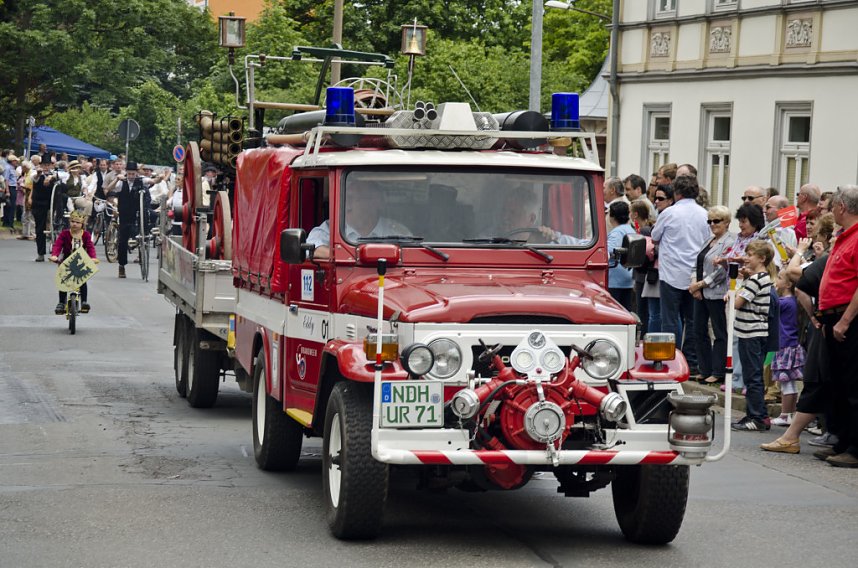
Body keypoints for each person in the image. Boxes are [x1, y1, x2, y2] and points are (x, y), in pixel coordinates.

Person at [761, 240, 831, 454]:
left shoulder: (787, 299)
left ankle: (794, 429)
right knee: (817, 383)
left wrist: (799, 252)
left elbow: (795, 276)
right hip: (825, 324)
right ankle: (824, 432)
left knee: (814, 382)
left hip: (818, 330)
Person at [815, 185, 858, 467]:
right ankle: (842, 441)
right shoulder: (844, 236)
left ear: (842, 207)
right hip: (833, 316)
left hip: (848, 318)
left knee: (853, 384)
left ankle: (855, 448)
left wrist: (844, 320)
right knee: (838, 383)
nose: (831, 211)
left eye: (833, 207)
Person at [651, 175, 710, 373]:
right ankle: (691, 362)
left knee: (670, 319)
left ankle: (671, 359)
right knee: (692, 320)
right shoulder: (704, 214)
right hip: (694, 275)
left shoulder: (669, 213)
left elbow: (655, 236)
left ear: (676, 193)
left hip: (671, 273)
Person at [731, 240, 776, 432]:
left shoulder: (757, 279)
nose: (747, 258)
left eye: (750, 255)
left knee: (753, 376)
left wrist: (734, 290)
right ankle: (753, 413)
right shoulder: (756, 278)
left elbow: (737, 302)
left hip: (752, 333)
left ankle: (758, 416)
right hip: (748, 332)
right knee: (752, 375)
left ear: (762, 258)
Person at [306, 179, 411, 260]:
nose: (346, 204)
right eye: (345, 198)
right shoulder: (331, 227)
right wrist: (353, 257)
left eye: (352, 198)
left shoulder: (395, 230)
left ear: (374, 203)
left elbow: (411, 255)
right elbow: (311, 248)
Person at [689, 206, 736, 385]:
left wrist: (701, 284)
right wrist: (694, 284)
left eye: (716, 221)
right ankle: (704, 368)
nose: (712, 224)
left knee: (719, 332)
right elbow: (697, 262)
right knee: (698, 330)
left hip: (716, 293)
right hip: (701, 292)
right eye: (709, 221)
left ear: (726, 222)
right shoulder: (709, 240)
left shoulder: (730, 241)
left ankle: (718, 370)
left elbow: (721, 272)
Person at [769, 269, 804, 426]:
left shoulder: (783, 303)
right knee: (790, 383)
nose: (777, 280)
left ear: (788, 284)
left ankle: (785, 415)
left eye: (780, 278)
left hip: (784, 345)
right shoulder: (793, 302)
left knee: (786, 383)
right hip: (792, 343)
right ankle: (789, 414)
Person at [49, 210, 99, 314]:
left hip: (80, 261)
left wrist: (93, 258)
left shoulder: (85, 235)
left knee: (82, 281)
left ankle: (84, 301)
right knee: (63, 280)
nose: (75, 224)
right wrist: (54, 255)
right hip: (67, 261)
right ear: (69, 222)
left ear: (82, 224)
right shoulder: (65, 234)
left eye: (77, 222)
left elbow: (90, 247)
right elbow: (58, 245)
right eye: (72, 221)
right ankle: (61, 303)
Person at [111, 161, 149, 278]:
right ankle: (121, 266)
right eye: (129, 174)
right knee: (122, 242)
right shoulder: (121, 183)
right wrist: (117, 179)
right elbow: (108, 189)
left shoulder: (141, 181)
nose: (131, 176)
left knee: (141, 235)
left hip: (137, 215)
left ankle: (141, 253)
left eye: (133, 174)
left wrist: (161, 177)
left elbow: (153, 181)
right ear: (126, 173)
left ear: (136, 173)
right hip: (124, 215)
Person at [630, 200, 655, 332]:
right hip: (645, 274)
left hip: (642, 275)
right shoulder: (647, 228)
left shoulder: (644, 231)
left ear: (635, 214)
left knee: (642, 309)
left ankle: (643, 333)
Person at [607, 201, 635, 311]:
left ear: (612, 216)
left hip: (615, 279)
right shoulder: (630, 229)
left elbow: (609, 251)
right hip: (628, 278)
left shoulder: (616, 233)